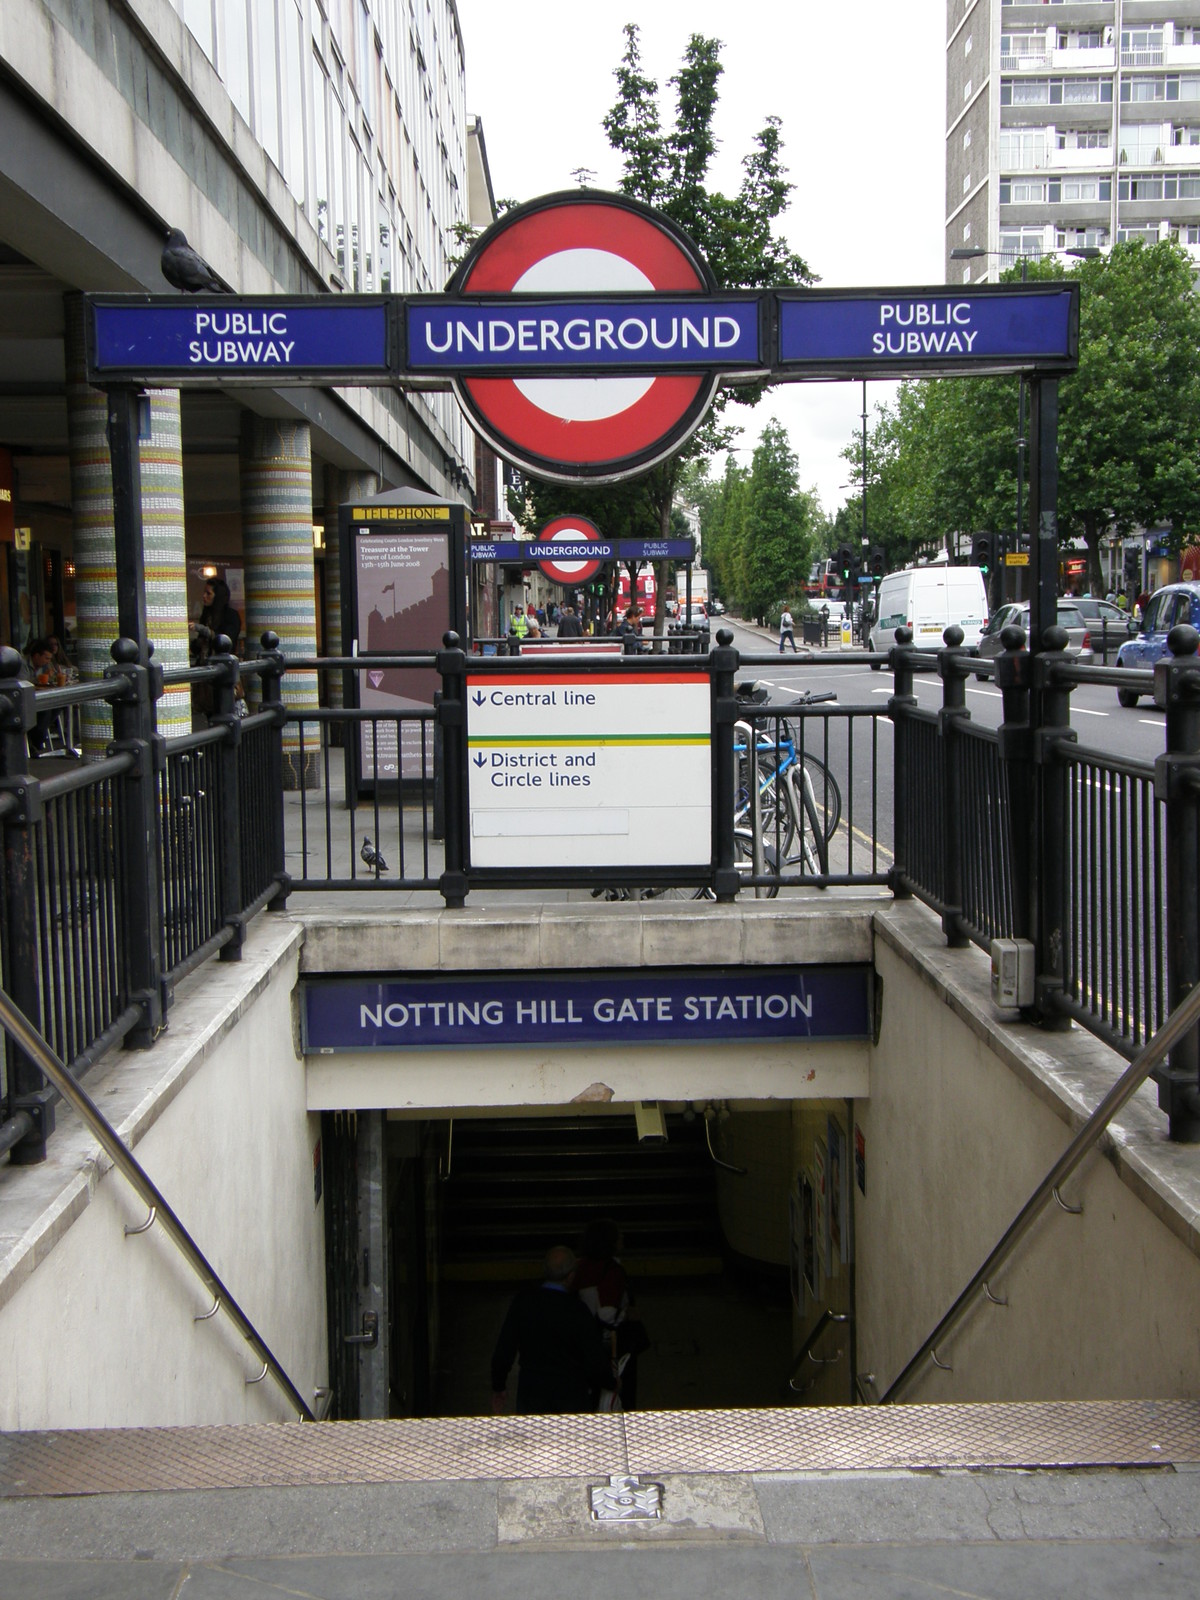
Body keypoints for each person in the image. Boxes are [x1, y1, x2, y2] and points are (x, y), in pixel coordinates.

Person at [490, 1245, 611, 1415]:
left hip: (532, 1392)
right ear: (571, 1276)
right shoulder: (577, 1310)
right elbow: (594, 1357)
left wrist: (499, 1386)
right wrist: (611, 1382)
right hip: (571, 1395)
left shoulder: (524, 1303)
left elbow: (504, 1349)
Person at [574, 1217, 648, 1410]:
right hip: (611, 1343)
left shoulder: (579, 1268)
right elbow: (607, 1313)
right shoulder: (613, 1271)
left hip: (583, 1339)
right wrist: (626, 1314)